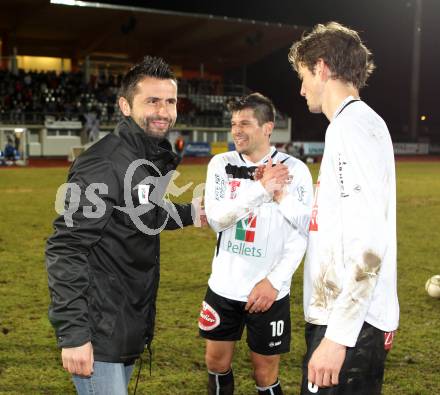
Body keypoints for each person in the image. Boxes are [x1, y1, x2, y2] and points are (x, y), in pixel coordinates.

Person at [46, 56, 205, 395]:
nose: (163, 111)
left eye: (170, 101)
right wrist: (75, 334)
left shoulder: (148, 157)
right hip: (99, 329)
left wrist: (190, 212)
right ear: (125, 105)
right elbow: (66, 247)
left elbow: (142, 214)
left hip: (127, 321)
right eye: (152, 101)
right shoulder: (103, 162)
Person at [288, 22, 399, 394]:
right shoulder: (353, 125)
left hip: (348, 326)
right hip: (349, 319)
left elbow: (369, 245)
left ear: (321, 68)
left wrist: (337, 338)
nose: (301, 88)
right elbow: (334, 225)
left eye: (303, 76)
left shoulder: (351, 128)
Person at [199, 93, 313, 394]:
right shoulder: (220, 164)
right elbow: (217, 219)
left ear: (267, 127)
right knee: (215, 362)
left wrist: (274, 282)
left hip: (269, 292)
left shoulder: (295, 170)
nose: (237, 129)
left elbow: (302, 233)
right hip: (224, 287)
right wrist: (262, 189)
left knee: (265, 372)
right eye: (234, 123)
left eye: (245, 123)